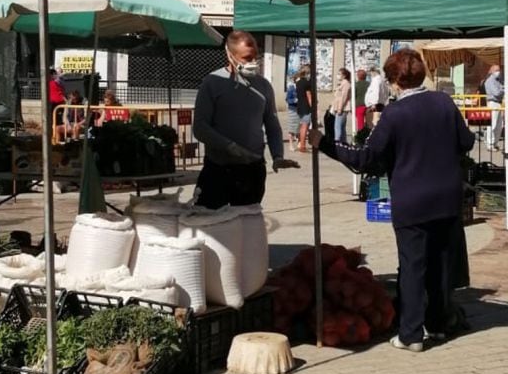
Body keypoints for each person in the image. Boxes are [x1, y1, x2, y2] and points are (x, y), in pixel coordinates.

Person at [309, 48, 475, 352]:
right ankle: (437, 325)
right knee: (439, 262)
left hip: (413, 200)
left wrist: (326, 146)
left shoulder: (395, 114)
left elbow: (366, 159)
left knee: (413, 266)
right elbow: (467, 141)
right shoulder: (443, 102)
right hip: (447, 197)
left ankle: (411, 334)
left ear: (395, 81)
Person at [192, 31, 300, 208]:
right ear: (230, 54)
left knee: (247, 227)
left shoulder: (264, 86)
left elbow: (272, 125)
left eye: (255, 57)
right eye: (247, 58)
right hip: (219, 169)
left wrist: (277, 155)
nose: (253, 63)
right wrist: (230, 147)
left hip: (252, 171)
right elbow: (200, 127)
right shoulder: (212, 82)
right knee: (211, 225)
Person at [482, 64, 504, 149]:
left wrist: (501, 90)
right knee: (492, 124)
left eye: (499, 70)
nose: (498, 72)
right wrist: (502, 90)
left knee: (499, 125)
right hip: (492, 103)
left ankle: (495, 143)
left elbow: (500, 91)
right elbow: (496, 93)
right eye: (496, 70)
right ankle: (490, 143)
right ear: (492, 71)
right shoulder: (489, 81)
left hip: (498, 103)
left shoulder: (498, 80)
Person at [293, 64, 314, 152]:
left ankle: (301, 144)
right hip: (306, 107)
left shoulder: (298, 82)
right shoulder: (306, 83)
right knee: (305, 126)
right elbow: (309, 96)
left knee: (302, 126)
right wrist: (313, 107)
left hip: (300, 106)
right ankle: (303, 146)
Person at [332, 67, 352, 143]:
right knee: (342, 127)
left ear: (344, 75)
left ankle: (337, 142)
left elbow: (344, 97)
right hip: (339, 107)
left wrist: (340, 108)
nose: (338, 75)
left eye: (339, 74)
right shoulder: (342, 83)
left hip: (342, 108)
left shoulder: (346, 84)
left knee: (338, 127)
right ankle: (343, 142)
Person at [353, 67, 369, 134]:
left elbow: (354, 95)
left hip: (359, 105)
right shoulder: (369, 84)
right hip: (368, 105)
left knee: (360, 123)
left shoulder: (356, 84)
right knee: (368, 122)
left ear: (358, 76)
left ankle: (361, 137)